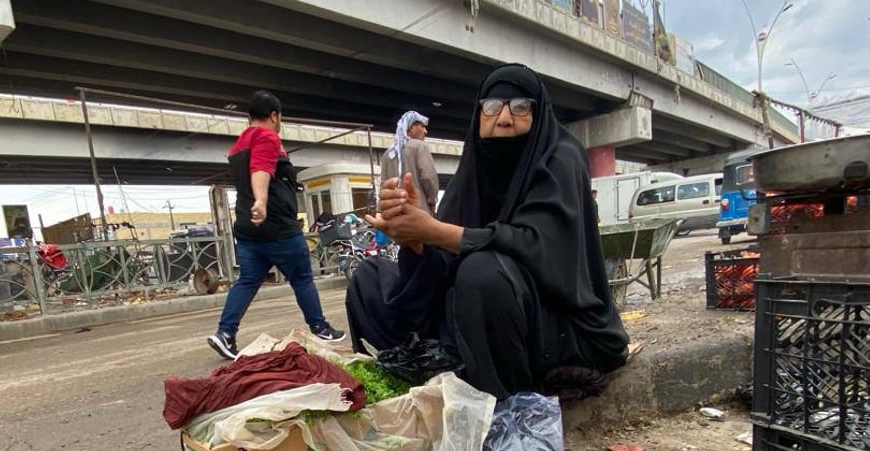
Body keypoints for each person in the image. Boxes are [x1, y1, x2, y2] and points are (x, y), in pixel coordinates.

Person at [346, 63, 629, 399]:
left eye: (520, 107)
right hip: (475, 315)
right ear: (479, 114)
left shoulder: (560, 158)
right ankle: (417, 378)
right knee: (370, 278)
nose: (504, 118)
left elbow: (538, 247)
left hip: (553, 322)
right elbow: (442, 261)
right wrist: (414, 238)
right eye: (493, 107)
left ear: (538, 113)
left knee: (482, 272)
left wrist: (434, 231)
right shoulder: (475, 165)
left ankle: (506, 406)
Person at [207, 90, 345, 360]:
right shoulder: (267, 136)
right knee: (302, 278)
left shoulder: (240, 144)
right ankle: (320, 328)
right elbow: (261, 169)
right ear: (274, 115)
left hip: (249, 230)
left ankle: (225, 334)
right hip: (278, 227)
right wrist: (261, 200)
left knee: (248, 281)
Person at [380, 111, 439, 216]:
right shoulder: (420, 146)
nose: (425, 131)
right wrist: (432, 200)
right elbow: (429, 178)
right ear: (411, 127)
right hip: (418, 212)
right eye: (422, 127)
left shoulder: (388, 154)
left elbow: (383, 186)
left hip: (394, 214)